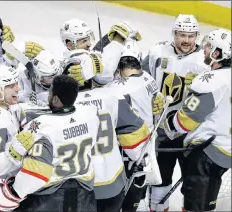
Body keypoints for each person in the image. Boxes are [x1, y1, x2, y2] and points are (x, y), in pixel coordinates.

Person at [0, 75, 101, 212]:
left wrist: (12, 191)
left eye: (50, 92)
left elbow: (37, 174)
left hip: (51, 198)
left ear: (55, 99)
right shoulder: (89, 114)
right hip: (85, 195)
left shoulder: (41, 127)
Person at [64, 52, 151, 212]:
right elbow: (136, 140)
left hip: (75, 187)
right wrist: (140, 161)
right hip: (111, 185)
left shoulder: (59, 104)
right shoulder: (112, 96)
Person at [141, 14, 206, 211]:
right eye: (181, 35)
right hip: (161, 129)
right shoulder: (156, 52)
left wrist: (200, 84)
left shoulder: (205, 60)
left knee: (193, 185)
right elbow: (141, 80)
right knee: (160, 181)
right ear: (174, 34)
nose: (186, 40)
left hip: (192, 132)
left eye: (191, 35)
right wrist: (150, 98)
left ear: (197, 36)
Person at [164, 28, 231, 212]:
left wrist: (168, 123)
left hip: (207, 153)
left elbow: (186, 120)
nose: (204, 48)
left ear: (217, 53)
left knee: (196, 208)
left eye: (209, 46)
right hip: (225, 149)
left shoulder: (211, 81)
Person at [106, 39, 163, 212]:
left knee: (123, 193)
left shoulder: (117, 88)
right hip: (148, 141)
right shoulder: (147, 77)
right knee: (139, 187)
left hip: (128, 146)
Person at [60, 18, 142, 86]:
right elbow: (105, 76)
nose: (89, 44)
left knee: (121, 35)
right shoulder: (75, 60)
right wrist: (118, 40)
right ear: (70, 45)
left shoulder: (86, 53)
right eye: (84, 41)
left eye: (89, 39)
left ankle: (123, 29)